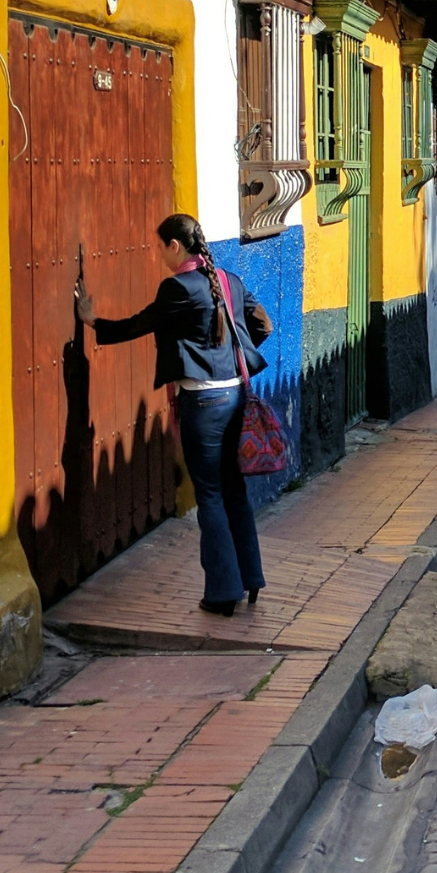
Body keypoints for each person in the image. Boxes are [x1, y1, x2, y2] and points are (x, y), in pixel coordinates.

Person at [76, 213, 273, 617]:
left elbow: (140, 324)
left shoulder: (177, 288)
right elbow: (262, 325)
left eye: (160, 247)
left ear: (175, 246)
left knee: (211, 495)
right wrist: (226, 355)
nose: (159, 255)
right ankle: (250, 578)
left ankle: (222, 593)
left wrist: (92, 322)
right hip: (236, 394)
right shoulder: (229, 281)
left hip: (203, 403)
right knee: (233, 488)